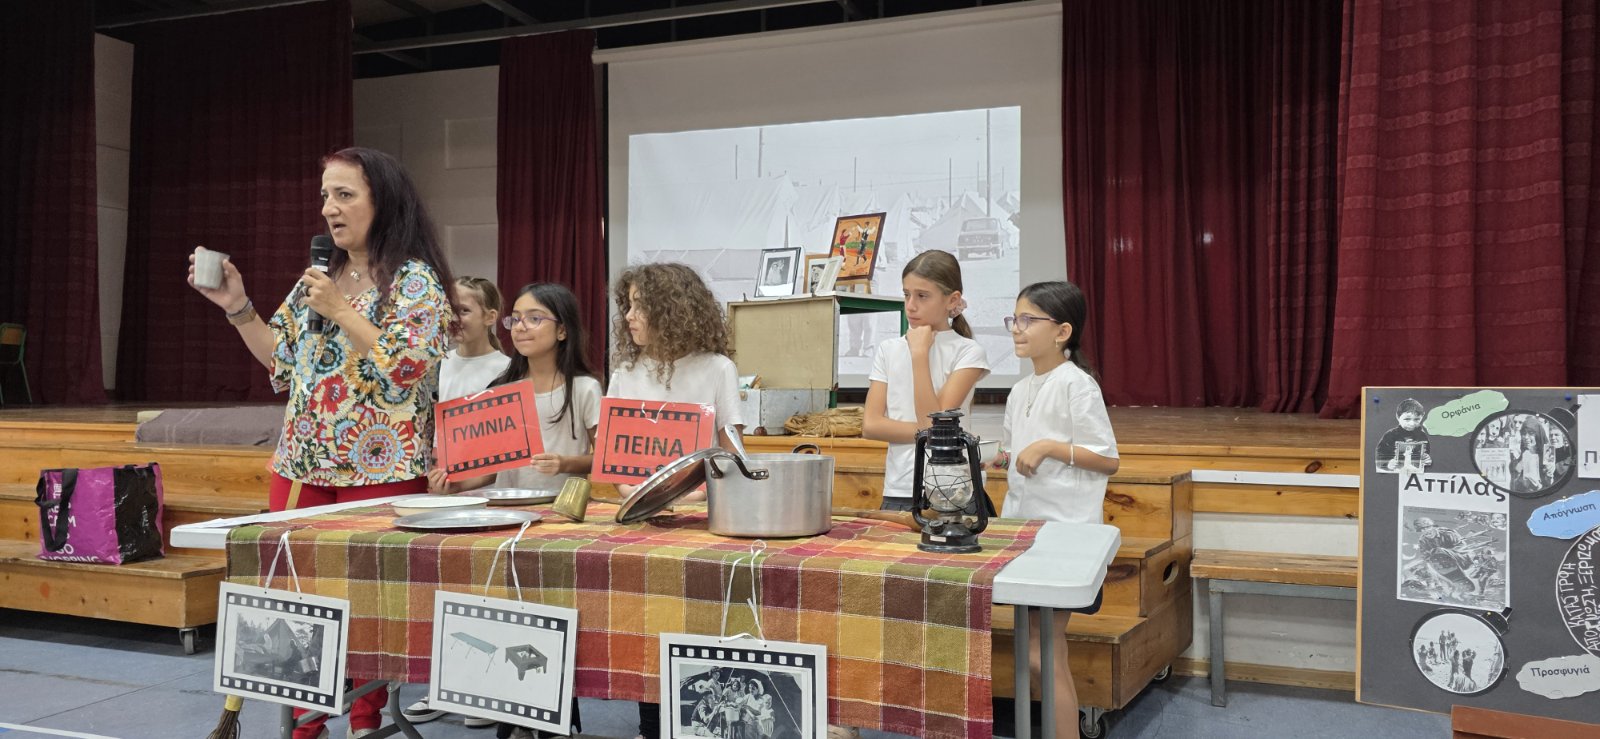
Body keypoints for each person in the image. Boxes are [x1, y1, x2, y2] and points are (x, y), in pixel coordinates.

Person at [188, 146, 455, 739]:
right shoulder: (319, 277)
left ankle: (365, 719)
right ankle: (304, 726)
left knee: (367, 602)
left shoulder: (415, 281)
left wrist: (341, 310)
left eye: (345, 195)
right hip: (302, 465)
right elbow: (279, 360)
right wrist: (238, 307)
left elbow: (405, 366)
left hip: (380, 469)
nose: (329, 208)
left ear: (383, 201)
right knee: (294, 603)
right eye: (325, 196)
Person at [607, 263, 745, 739]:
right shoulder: (625, 372)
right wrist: (637, 495)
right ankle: (649, 725)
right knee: (647, 625)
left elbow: (732, 453)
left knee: (696, 628)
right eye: (627, 305)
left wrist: (697, 493)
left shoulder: (717, 368)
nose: (628, 316)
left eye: (639, 305)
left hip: (699, 526)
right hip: (641, 523)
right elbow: (615, 458)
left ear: (671, 309)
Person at [991, 280, 1119, 738]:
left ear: (1062, 331)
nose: (1016, 328)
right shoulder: (1019, 389)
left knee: (1040, 652)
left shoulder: (1076, 385)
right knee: (1040, 651)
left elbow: (1107, 458)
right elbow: (1013, 454)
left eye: (1028, 320)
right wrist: (988, 458)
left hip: (1066, 535)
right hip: (1024, 530)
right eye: (1014, 319)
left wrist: (1049, 447)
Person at [400, 276, 509, 729]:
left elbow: (506, 444)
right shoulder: (438, 364)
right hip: (443, 493)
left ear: (490, 317)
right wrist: (438, 480)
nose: (454, 319)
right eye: (450, 310)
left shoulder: (506, 368)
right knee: (443, 589)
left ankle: (484, 691)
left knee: (485, 590)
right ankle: (444, 684)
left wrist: (472, 483)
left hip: (488, 495)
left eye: (464, 310)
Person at [862, 249, 990, 512]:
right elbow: (871, 426)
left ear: (952, 300)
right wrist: (927, 432)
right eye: (906, 294)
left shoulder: (968, 351)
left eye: (922, 296)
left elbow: (933, 424)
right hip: (898, 489)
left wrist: (919, 355)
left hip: (952, 490)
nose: (910, 305)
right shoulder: (888, 349)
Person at [1375, 398, 1430, 473]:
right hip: (1394, 474)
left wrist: (1426, 460)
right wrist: (1387, 464)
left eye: (1417, 419)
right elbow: (1379, 455)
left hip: (1415, 474)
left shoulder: (1423, 436)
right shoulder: (1390, 435)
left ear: (1422, 417)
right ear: (1398, 417)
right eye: (1407, 419)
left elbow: (1426, 455)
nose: (1412, 424)